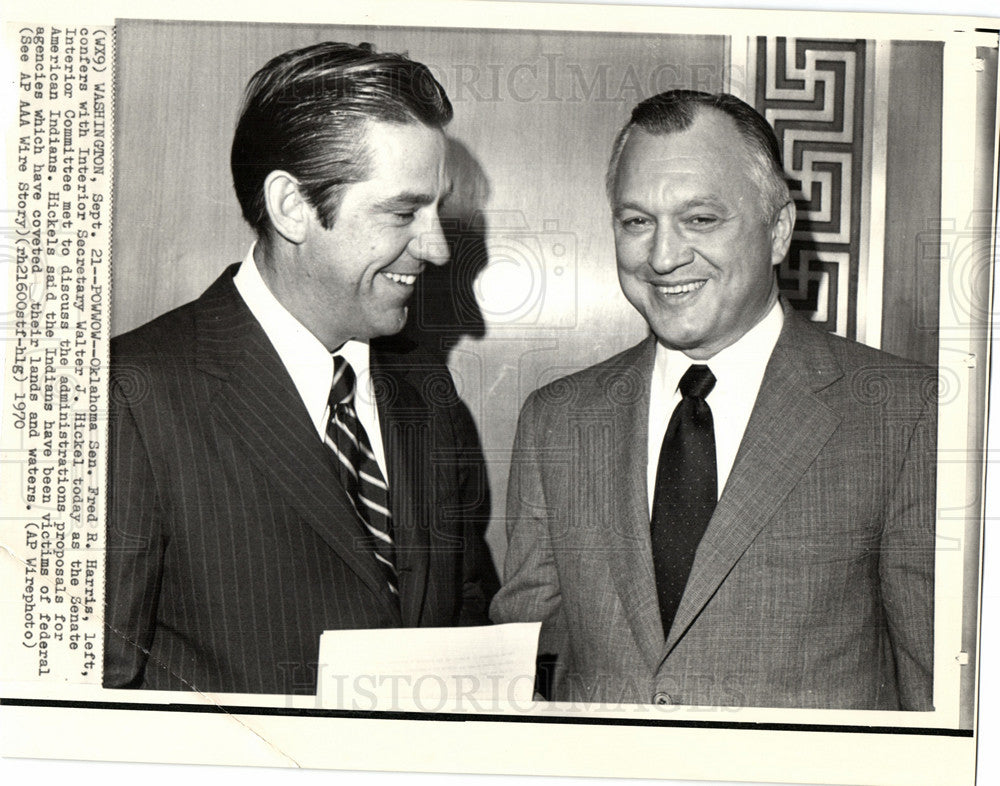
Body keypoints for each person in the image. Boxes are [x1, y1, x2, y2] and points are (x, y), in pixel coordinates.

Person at [490, 90, 935, 710]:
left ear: (778, 229)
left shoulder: (905, 413)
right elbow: (526, 664)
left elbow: (935, 692)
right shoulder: (557, 419)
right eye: (636, 221)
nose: (663, 257)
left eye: (701, 219)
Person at [104, 42, 498, 695]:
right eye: (403, 212)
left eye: (437, 210)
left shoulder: (427, 394)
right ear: (292, 206)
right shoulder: (132, 396)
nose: (434, 246)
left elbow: (466, 619)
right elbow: (86, 706)